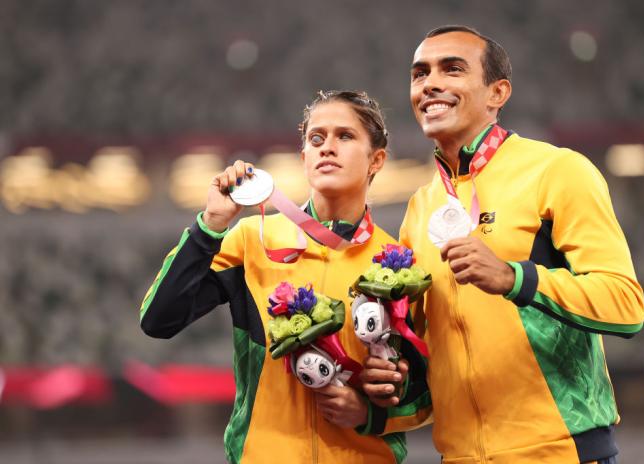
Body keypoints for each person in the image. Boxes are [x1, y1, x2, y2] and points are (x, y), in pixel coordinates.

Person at [361, 25, 644, 464]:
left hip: (558, 452)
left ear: (498, 92)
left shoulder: (558, 170)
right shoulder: (420, 207)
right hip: (459, 456)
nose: (430, 83)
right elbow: (428, 349)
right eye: (420, 74)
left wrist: (516, 277)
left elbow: (626, 305)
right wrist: (387, 373)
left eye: (452, 69)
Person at [139, 90, 430, 464]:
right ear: (304, 157)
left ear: (376, 160)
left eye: (345, 136)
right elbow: (158, 320)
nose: (327, 147)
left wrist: (369, 412)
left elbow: (431, 394)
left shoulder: (399, 265)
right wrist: (210, 225)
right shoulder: (252, 240)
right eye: (316, 139)